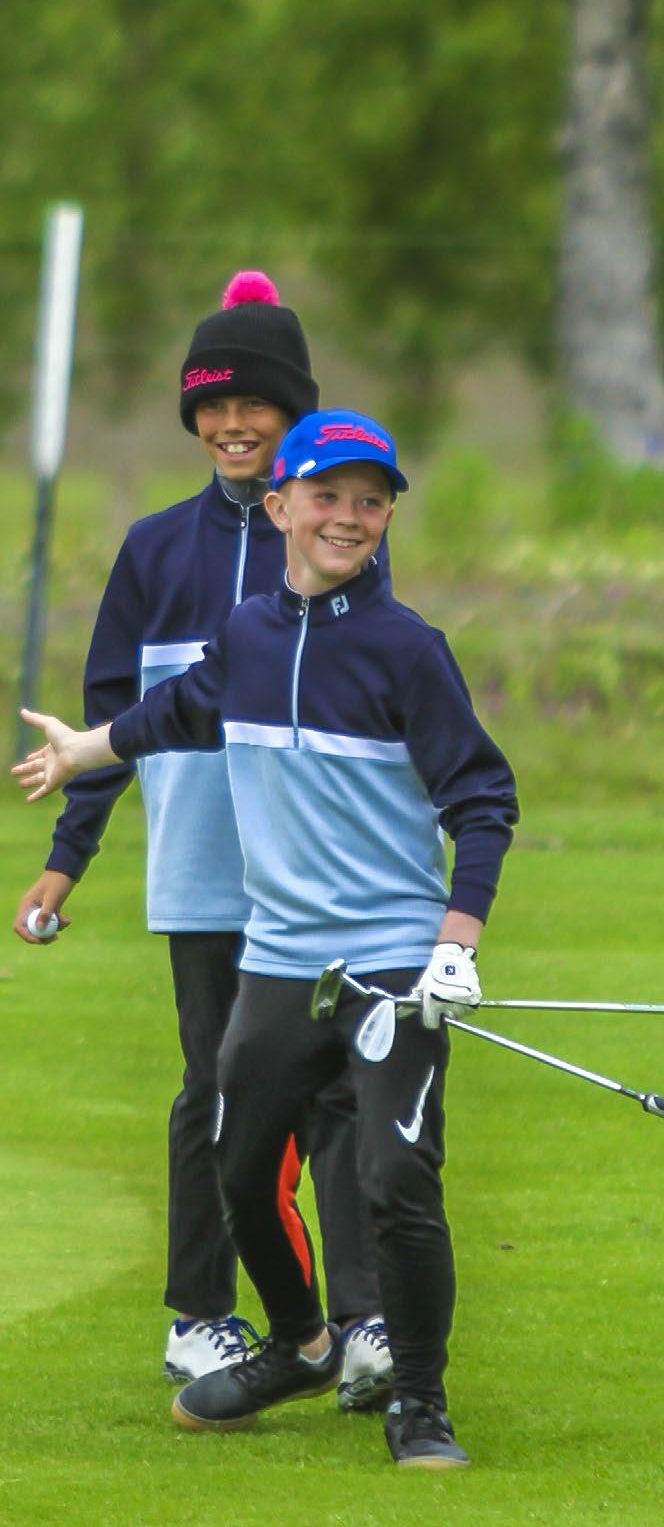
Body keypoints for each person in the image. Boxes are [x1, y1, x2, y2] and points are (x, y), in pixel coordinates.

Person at [15, 408, 520, 1468]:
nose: (349, 517)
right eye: (327, 496)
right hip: (279, 961)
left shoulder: (409, 650)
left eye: (370, 501)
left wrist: (455, 943)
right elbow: (181, 710)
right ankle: (302, 1345)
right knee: (240, 1172)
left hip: (390, 961)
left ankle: (419, 1402)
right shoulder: (248, 635)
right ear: (282, 506)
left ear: (387, 518)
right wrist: (83, 752)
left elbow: (482, 800)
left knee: (395, 1180)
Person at [11, 273, 392, 1407]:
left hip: (315, 876)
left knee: (337, 1094)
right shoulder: (153, 549)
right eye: (211, 405)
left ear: (293, 414)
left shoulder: (329, 533)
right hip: (200, 876)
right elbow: (113, 715)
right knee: (215, 1092)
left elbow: (373, 699)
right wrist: (69, 856)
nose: (232, 423)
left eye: (254, 404)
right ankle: (201, 1319)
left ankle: (361, 1324)